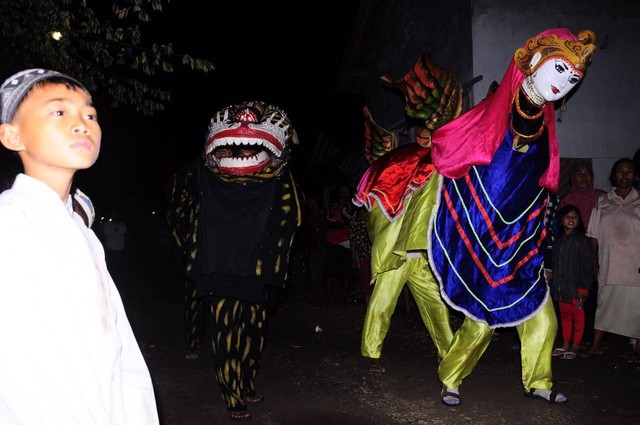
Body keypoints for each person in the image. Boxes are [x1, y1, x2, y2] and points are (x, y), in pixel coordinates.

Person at [428, 28, 596, 405]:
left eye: (573, 79)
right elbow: (500, 153)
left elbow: (534, 187)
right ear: (533, 63)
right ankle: (450, 378)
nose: (564, 84)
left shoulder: (543, 127)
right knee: (482, 323)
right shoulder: (504, 114)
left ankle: (539, 381)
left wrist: (536, 235)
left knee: (543, 317)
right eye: (559, 70)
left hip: (522, 240)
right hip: (486, 235)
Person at [0, 68, 159, 423]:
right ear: (12, 136)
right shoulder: (10, 225)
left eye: (90, 114)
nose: (82, 123)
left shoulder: (81, 231)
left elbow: (116, 349)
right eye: (59, 111)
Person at [168, 101, 303, 420]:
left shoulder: (277, 183)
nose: (241, 154)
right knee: (227, 332)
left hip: (256, 271)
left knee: (254, 332)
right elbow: (180, 209)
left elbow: (294, 218)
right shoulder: (204, 181)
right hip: (220, 270)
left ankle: (245, 382)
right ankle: (232, 395)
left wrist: (284, 168)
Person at [585, 158, 640, 361]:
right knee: (604, 304)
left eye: (629, 171)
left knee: (636, 306)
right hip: (609, 263)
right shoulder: (603, 201)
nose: (624, 175)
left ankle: (637, 349)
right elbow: (594, 234)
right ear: (613, 175)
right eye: (620, 171)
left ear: (635, 175)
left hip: (635, 266)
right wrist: (594, 260)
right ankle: (597, 345)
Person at [558, 161, 605, 344]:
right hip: (572, 254)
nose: (584, 177)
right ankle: (572, 338)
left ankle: (590, 337)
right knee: (572, 296)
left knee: (592, 295)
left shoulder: (602, 198)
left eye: (588, 174)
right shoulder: (566, 200)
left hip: (598, 252)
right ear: (571, 178)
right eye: (579, 173)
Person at [548, 205, 594, 360]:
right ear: (561, 220)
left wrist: (583, 288)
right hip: (561, 289)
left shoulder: (582, 241)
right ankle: (566, 343)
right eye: (567, 216)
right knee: (565, 316)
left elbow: (587, 265)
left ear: (579, 220)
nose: (571, 219)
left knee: (578, 317)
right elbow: (555, 265)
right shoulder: (558, 242)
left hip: (576, 289)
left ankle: (576, 345)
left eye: (575, 216)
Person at [324, 183, 356, 304]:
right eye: (341, 191)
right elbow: (328, 221)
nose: (343, 194)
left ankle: (343, 298)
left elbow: (350, 222)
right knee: (329, 272)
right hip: (332, 242)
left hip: (346, 243)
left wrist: (343, 211)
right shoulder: (333, 206)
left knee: (346, 273)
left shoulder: (352, 207)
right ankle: (331, 298)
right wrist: (340, 223)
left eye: (345, 192)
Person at [350, 206, 373, 305]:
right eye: (362, 212)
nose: (364, 214)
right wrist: (353, 257)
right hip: (363, 256)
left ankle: (375, 306)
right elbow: (353, 241)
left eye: (365, 212)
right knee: (365, 280)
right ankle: (368, 306)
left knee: (374, 281)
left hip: (374, 255)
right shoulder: (355, 224)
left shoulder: (372, 222)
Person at [101, 207, 128, 285]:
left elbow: (124, 230)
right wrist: (114, 229)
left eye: (116, 214)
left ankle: (115, 282)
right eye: (113, 214)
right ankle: (107, 282)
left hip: (119, 249)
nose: (115, 216)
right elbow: (106, 232)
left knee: (116, 267)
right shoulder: (107, 224)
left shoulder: (121, 224)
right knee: (108, 267)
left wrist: (117, 228)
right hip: (110, 249)